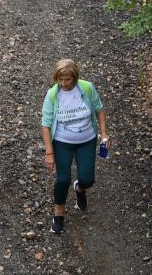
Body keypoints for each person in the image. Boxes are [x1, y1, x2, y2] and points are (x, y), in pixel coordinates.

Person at [41, 59, 109, 234]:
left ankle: (80, 188)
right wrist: (49, 152)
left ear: (75, 77)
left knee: (88, 179)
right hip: (62, 142)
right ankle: (58, 215)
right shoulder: (53, 94)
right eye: (60, 80)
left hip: (87, 140)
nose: (63, 83)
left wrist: (104, 133)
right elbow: (46, 124)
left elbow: (99, 109)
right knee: (62, 179)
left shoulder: (86, 88)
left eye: (67, 80)